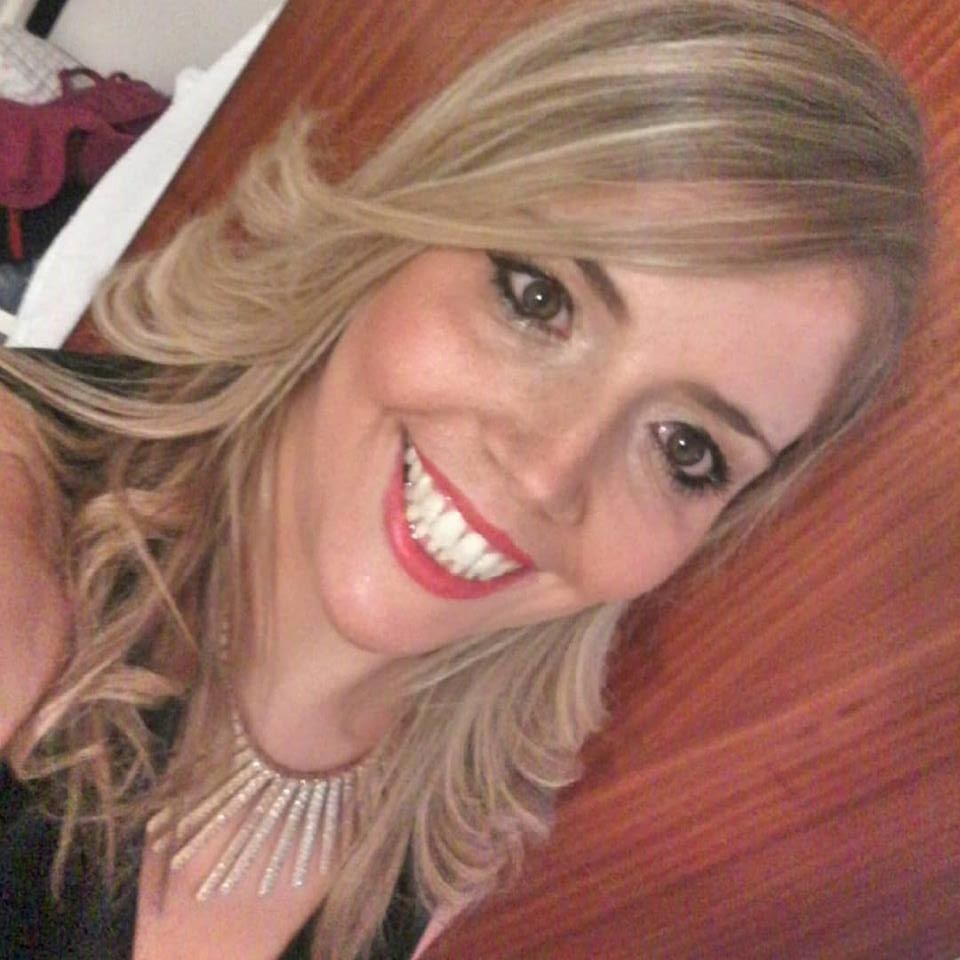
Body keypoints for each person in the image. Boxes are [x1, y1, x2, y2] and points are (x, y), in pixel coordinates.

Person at [0, 0, 930, 958]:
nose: (547, 471)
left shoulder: (457, 830)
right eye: (540, 298)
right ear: (409, 222)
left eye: (686, 449)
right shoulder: (24, 540)